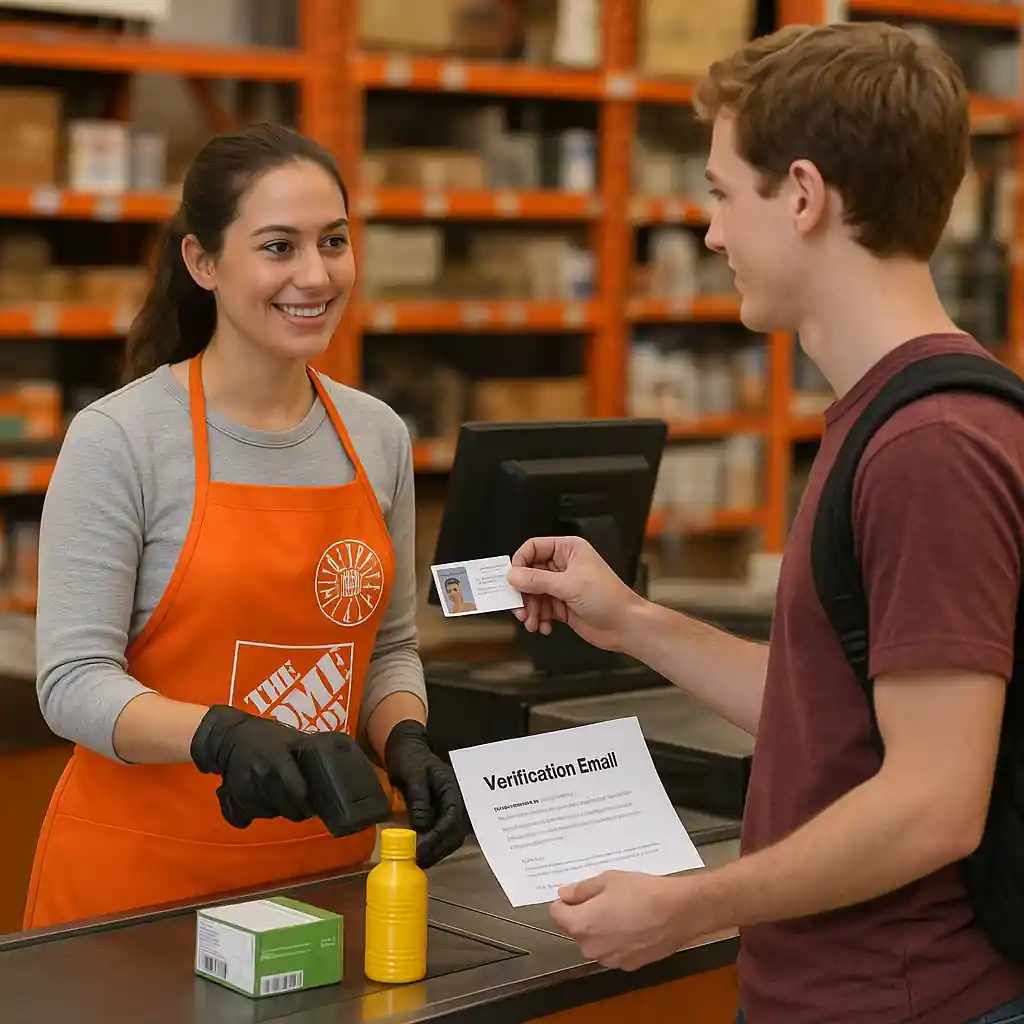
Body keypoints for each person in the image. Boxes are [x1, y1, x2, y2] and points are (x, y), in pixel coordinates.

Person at [507, 22, 1024, 1024]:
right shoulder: (885, 415)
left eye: (718, 194)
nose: (708, 233)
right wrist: (628, 620)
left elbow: (932, 804)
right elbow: (834, 711)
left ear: (800, 195)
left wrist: (687, 907)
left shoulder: (932, 444)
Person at [24, 123, 468, 931]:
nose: (315, 274)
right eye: (278, 246)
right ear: (203, 263)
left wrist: (404, 735)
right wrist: (218, 737)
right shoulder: (123, 439)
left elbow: (388, 648)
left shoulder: (375, 437)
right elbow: (72, 680)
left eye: (334, 241)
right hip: (135, 897)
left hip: (323, 884)